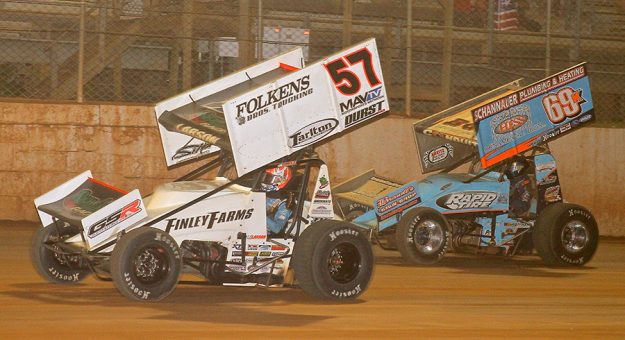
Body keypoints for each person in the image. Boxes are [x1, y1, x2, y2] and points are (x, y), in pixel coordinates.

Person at [260, 165, 295, 236]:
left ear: (282, 180)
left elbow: (277, 229)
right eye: (266, 178)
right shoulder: (263, 196)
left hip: (268, 236)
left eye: (270, 178)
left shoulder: (284, 203)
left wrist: (259, 215)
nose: (266, 181)